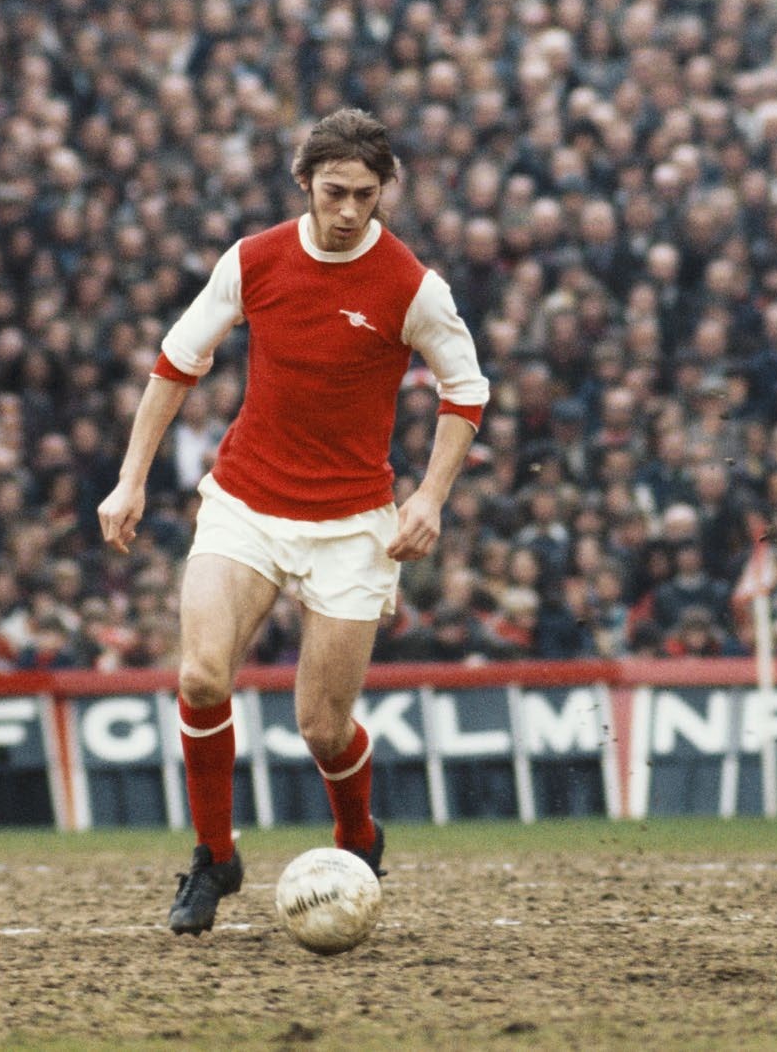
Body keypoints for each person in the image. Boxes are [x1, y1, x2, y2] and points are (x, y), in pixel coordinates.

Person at [97, 109, 490, 935]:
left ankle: (357, 832)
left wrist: (427, 498)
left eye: (367, 196)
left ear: (386, 193)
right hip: (244, 502)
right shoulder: (254, 260)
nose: (350, 211)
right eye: (335, 191)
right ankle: (214, 856)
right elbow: (175, 363)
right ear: (304, 182)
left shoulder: (412, 284)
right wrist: (131, 479)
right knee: (202, 676)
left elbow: (466, 391)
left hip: (353, 524)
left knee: (322, 724)